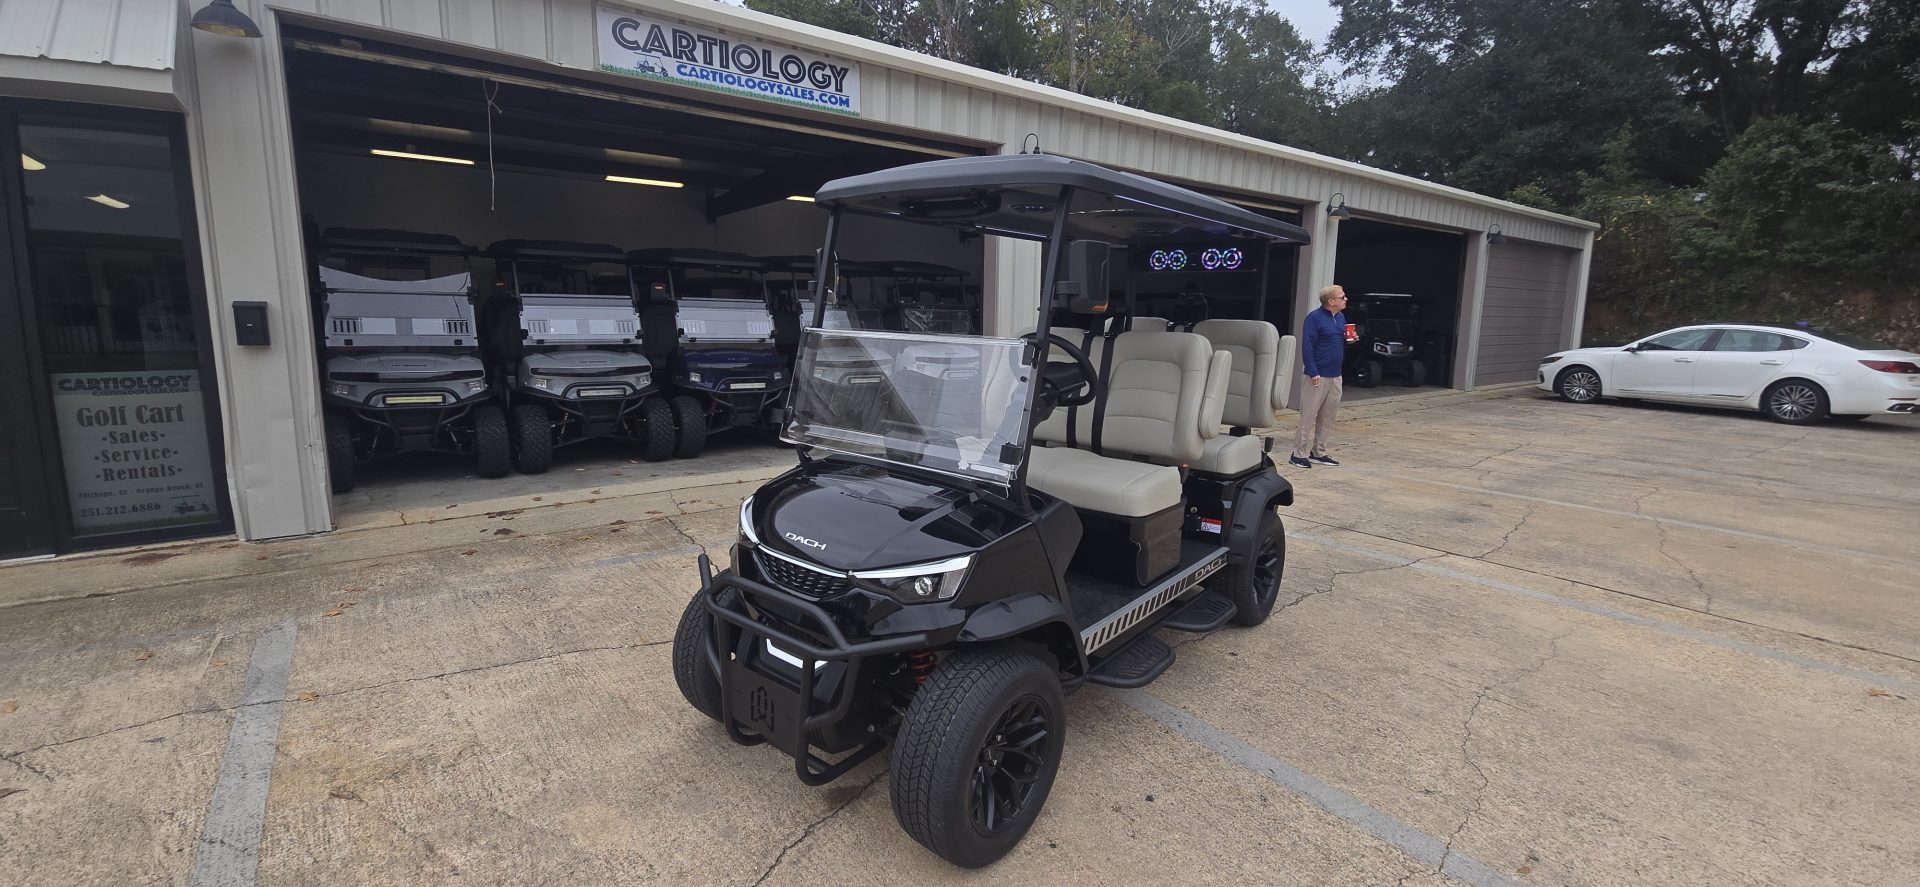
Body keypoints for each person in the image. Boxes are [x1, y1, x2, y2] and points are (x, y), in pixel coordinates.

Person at [1291, 285, 1356, 468]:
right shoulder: (1314, 318)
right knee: (1308, 416)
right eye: (1342, 297)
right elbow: (1307, 346)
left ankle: (1318, 452)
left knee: (1328, 416)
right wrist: (1313, 372)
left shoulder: (1340, 317)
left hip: (1336, 376)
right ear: (1331, 301)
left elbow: (1336, 342)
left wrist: (1350, 340)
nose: (1345, 299)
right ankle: (1298, 454)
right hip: (1317, 376)